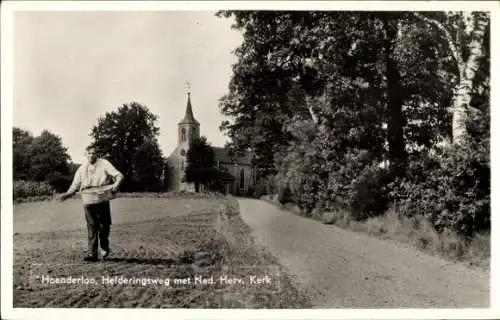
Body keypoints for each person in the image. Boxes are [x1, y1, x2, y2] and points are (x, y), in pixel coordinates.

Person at [58, 146, 124, 262]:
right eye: (89, 153)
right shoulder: (82, 169)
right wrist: (66, 195)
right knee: (92, 227)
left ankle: (104, 246)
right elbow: (75, 186)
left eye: (94, 153)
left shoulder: (104, 164)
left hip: (102, 198)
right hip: (88, 200)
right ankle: (92, 253)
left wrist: (116, 186)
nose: (91, 155)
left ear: (97, 154)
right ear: (85, 154)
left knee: (104, 226)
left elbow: (119, 175)